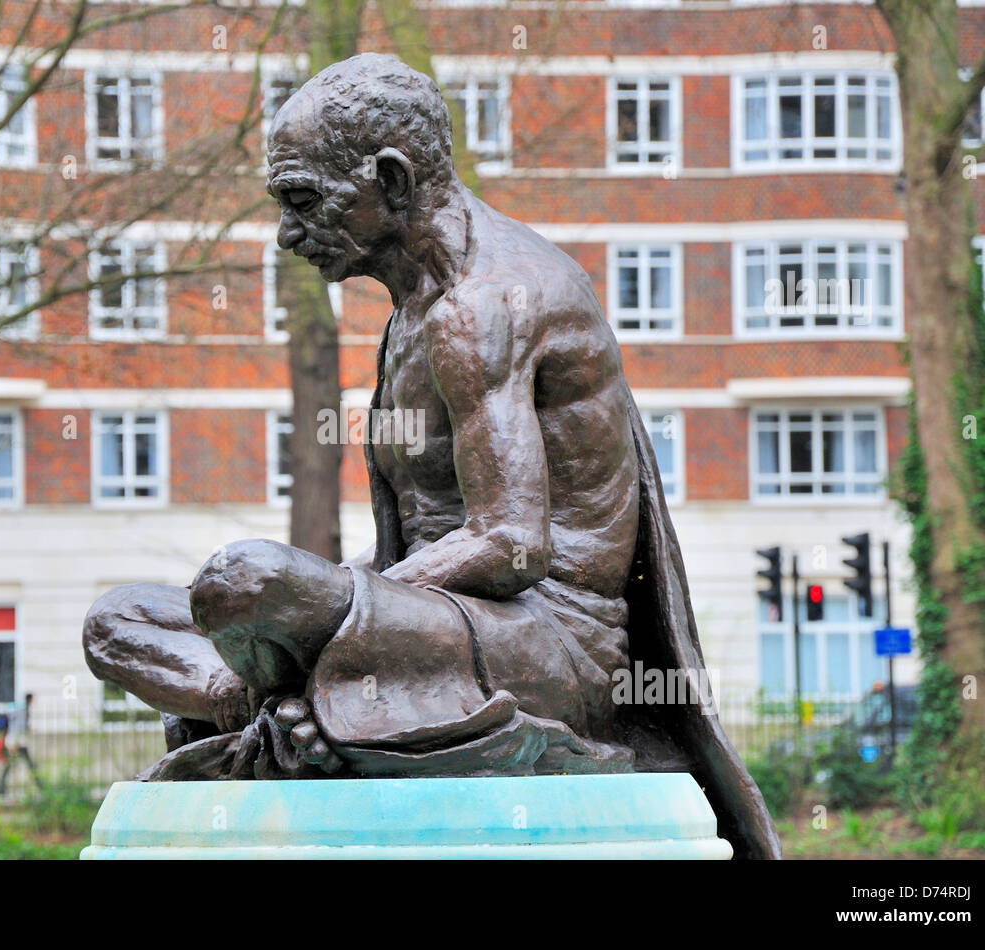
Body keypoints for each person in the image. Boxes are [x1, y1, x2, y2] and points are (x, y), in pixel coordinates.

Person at [83, 53, 778, 858]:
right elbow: (406, 550)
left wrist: (340, 601)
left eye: (304, 200)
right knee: (119, 619)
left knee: (244, 582)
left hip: (547, 642)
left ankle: (287, 697)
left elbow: (513, 543)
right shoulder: (413, 307)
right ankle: (255, 704)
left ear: (390, 179)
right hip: (441, 618)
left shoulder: (480, 306)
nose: (286, 234)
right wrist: (344, 606)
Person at [0, 693, 43, 796]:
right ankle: (40, 785)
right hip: (17, 742)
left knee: (11, 765)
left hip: (13, 741)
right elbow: (21, 726)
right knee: (28, 764)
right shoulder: (24, 711)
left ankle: (0, 787)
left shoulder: (16, 710)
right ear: (30, 700)